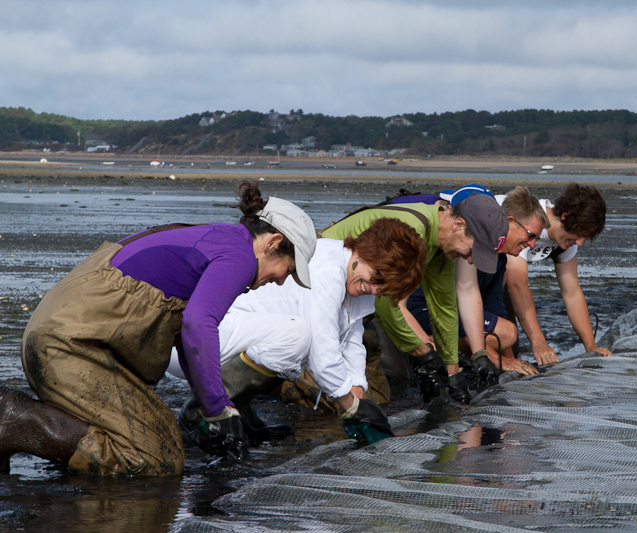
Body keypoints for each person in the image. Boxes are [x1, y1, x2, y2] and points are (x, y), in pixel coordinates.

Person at [1, 180, 317, 476]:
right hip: (69, 347)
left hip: (60, 337)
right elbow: (198, 325)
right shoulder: (239, 255)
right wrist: (220, 408)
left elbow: (185, 337)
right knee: (154, 460)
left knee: (164, 437)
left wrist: (215, 410)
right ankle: (15, 421)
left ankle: (39, 429)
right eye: (286, 271)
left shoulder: (220, 237)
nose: (279, 280)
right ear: (273, 241)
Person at [168, 217, 427, 445]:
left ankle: (239, 411)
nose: (374, 289)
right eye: (377, 277)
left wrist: (358, 389)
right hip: (199, 346)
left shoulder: (357, 277)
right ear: (365, 251)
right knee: (298, 338)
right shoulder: (328, 269)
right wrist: (350, 407)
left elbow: (351, 339)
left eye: (384, 288)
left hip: (236, 338)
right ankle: (199, 409)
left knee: (294, 341)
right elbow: (323, 352)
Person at [321, 193, 509, 404]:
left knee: (395, 381)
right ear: (458, 224)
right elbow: (384, 300)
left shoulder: (444, 245)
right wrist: (422, 353)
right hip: (322, 290)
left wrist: (453, 372)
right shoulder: (412, 230)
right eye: (474, 249)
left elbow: (444, 307)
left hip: (357, 302)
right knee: (375, 393)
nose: (471, 259)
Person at [404, 185, 550, 378]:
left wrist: (513, 361)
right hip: (423, 307)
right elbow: (459, 304)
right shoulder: (468, 248)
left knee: (507, 334)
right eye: (531, 236)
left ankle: (452, 351)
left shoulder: (500, 259)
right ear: (511, 222)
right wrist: (491, 358)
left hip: (451, 311)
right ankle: (428, 344)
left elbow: (494, 307)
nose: (532, 245)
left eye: (536, 240)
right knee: (504, 333)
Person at [505, 183, 612, 363]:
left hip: (497, 278)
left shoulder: (565, 243)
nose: (579, 243)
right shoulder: (526, 218)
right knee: (502, 344)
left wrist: (591, 348)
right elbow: (517, 285)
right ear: (565, 216)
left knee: (510, 346)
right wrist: (539, 343)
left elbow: (572, 293)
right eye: (580, 235)